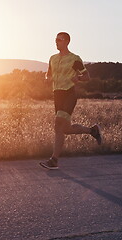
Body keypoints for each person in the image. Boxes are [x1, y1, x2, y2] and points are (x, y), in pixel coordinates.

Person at [40, 32, 102, 170]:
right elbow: (48, 74)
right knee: (65, 129)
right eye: (55, 39)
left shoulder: (74, 59)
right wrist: (47, 79)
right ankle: (92, 130)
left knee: (58, 125)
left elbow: (87, 76)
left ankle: (54, 160)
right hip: (57, 94)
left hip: (69, 93)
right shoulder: (52, 58)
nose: (56, 42)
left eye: (59, 40)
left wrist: (78, 78)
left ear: (67, 41)